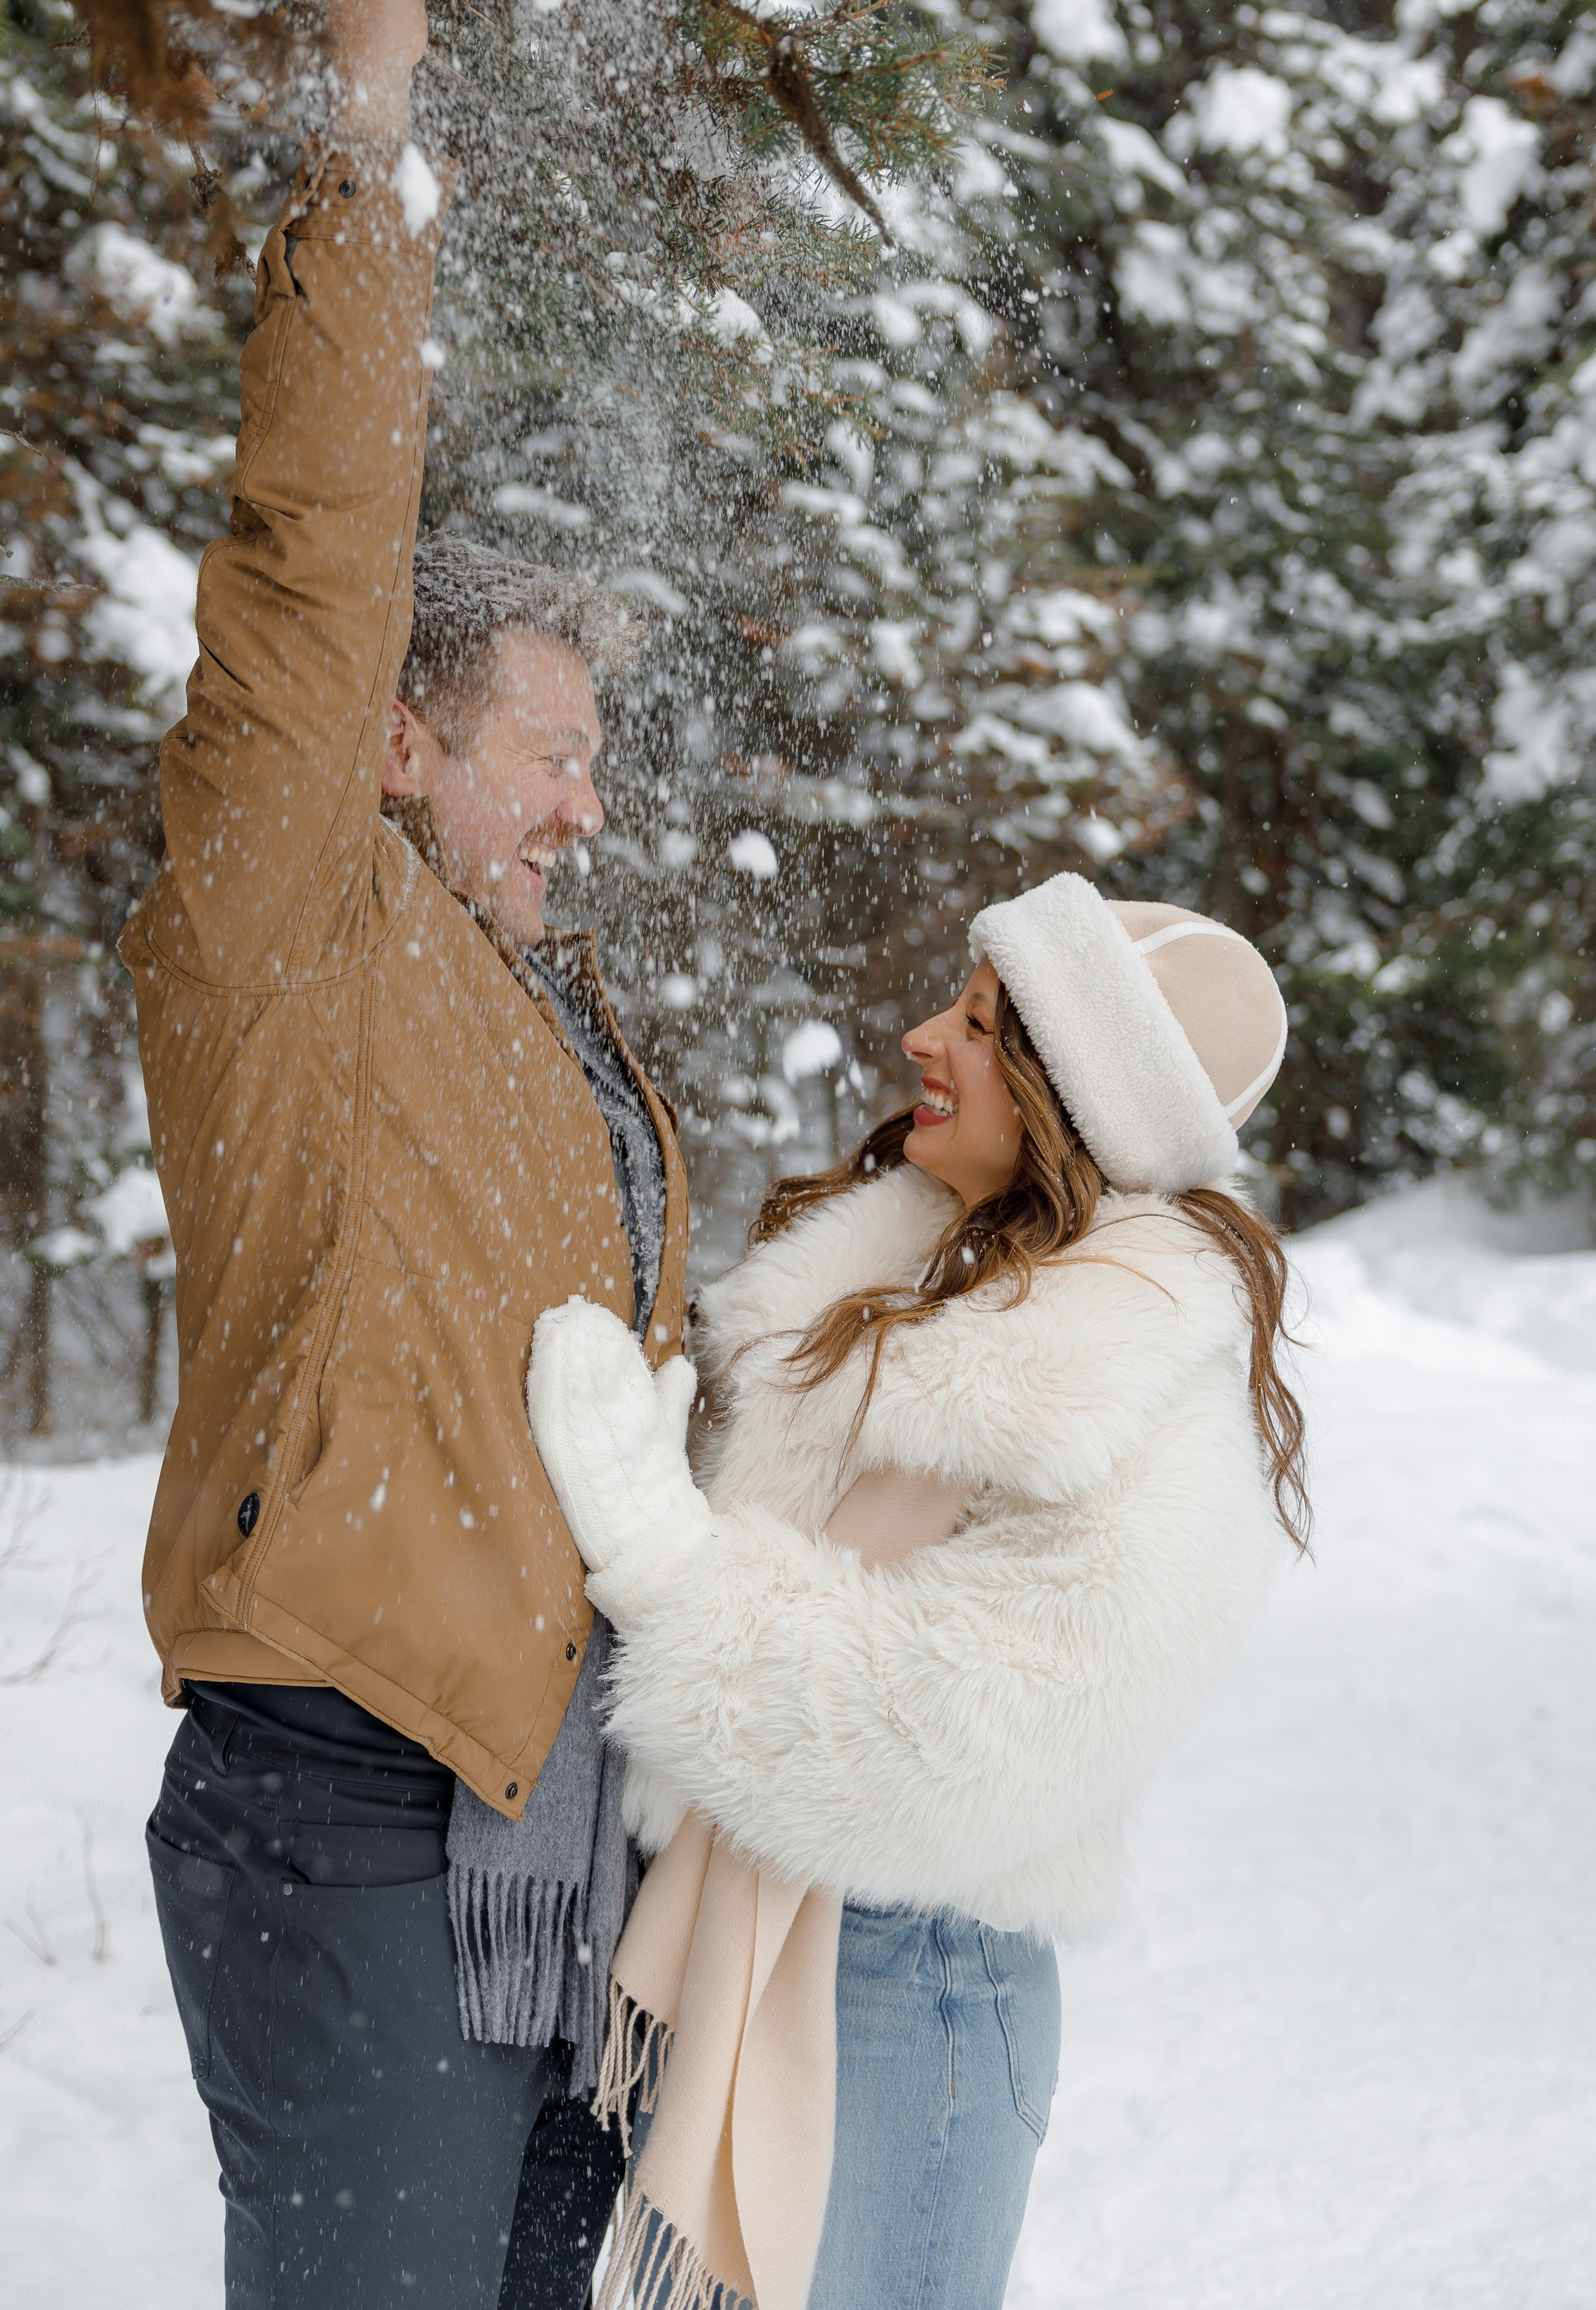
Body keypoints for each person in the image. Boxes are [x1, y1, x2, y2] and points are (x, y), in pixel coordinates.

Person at [125, 0, 689, 2309]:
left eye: (595, 757)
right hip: (343, 1806)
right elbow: (314, 549)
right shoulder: (295, 911)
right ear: (385, 748)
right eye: (540, 749)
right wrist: (372, 130)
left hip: (539, 1842)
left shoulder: (541, 1026)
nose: (586, 802)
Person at [528, 874, 1306, 2310]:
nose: (914, 1039)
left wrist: (668, 1562)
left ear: (1070, 1091)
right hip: (754, 1927)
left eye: (975, 1020)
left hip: (903, 1978)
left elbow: (968, 1739)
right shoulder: (918, 1292)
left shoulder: (1128, 1391)